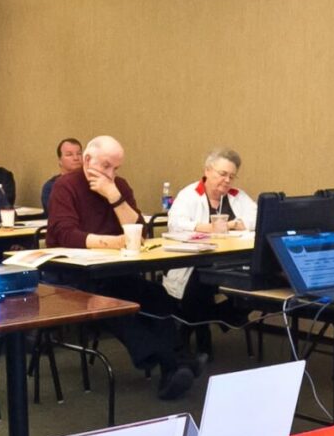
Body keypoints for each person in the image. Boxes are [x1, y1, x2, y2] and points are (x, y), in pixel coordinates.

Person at [46, 136, 199, 400]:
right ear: (87, 160)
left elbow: (139, 230)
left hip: (114, 271)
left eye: (116, 168)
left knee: (157, 296)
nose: (110, 173)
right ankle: (176, 363)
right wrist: (113, 242)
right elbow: (66, 234)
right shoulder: (65, 186)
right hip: (75, 276)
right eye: (106, 166)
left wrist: (114, 195)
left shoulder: (119, 187)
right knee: (114, 306)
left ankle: (173, 368)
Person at [162, 148, 256, 301]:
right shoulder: (189, 194)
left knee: (252, 283)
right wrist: (211, 228)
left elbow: (257, 217)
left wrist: (233, 225)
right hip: (196, 265)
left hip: (230, 262)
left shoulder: (237, 195)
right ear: (207, 171)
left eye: (232, 177)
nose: (227, 180)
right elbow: (176, 224)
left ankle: (229, 316)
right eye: (223, 174)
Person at [40, 138, 83, 213]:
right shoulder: (51, 187)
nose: (76, 158)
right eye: (69, 154)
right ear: (60, 161)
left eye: (79, 154)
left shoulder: (91, 183)